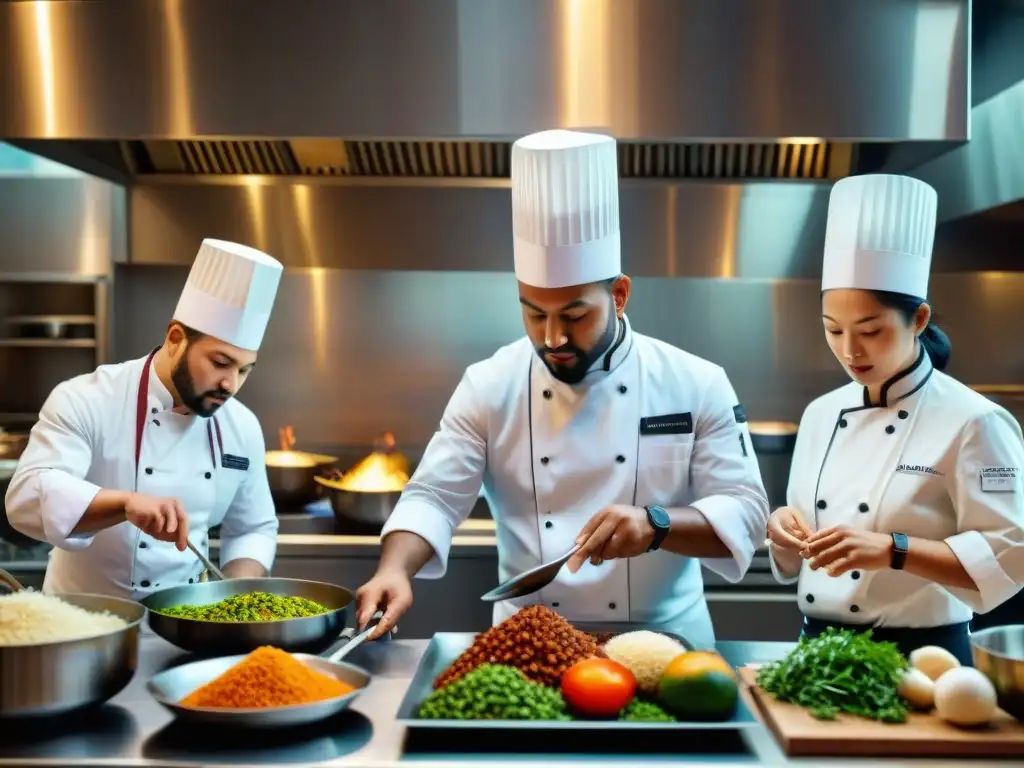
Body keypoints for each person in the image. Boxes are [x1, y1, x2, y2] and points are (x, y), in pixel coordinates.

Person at [356, 129, 771, 648]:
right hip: (527, 643)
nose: (552, 338)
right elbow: (434, 497)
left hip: (663, 643)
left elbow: (748, 513)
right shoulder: (489, 385)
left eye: (574, 315)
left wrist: (657, 525)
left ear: (619, 294)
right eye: (534, 314)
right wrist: (395, 569)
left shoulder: (695, 382)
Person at [766, 174, 1024, 665]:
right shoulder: (820, 414)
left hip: (923, 660)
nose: (849, 350)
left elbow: (1011, 554)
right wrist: (782, 528)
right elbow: (799, 528)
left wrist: (893, 550)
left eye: (870, 330)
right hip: (818, 654)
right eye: (832, 329)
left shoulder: (974, 420)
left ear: (919, 319)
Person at [5, 239, 284, 599]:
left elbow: (253, 528)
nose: (231, 384)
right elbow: (25, 499)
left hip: (186, 626)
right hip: (81, 622)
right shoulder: (86, 399)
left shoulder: (241, 427)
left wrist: (233, 597)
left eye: (245, 369)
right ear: (175, 339)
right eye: (219, 363)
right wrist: (125, 504)